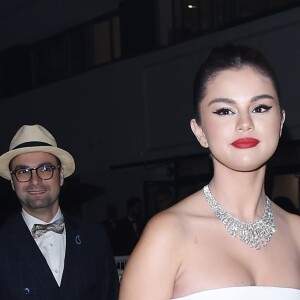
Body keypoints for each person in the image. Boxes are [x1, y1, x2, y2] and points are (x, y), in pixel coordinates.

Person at [119, 45, 300, 299]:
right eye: (225, 111)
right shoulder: (168, 234)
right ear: (199, 131)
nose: (245, 123)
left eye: (260, 108)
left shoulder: (297, 234)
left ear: (280, 122)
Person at [0, 124, 119, 299]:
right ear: (12, 181)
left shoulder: (95, 237)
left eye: (45, 169)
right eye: (23, 171)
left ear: (61, 175)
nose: (35, 180)